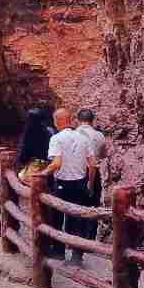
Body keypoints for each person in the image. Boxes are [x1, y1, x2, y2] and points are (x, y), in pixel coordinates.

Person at [43, 109, 100, 256]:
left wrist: (42, 173)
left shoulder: (56, 138)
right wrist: (90, 184)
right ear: (70, 120)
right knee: (77, 218)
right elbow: (93, 164)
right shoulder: (83, 138)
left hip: (62, 184)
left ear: (56, 121)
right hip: (80, 183)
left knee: (57, 217)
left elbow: (56, 163)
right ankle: (76, 255)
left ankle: (58, 251)